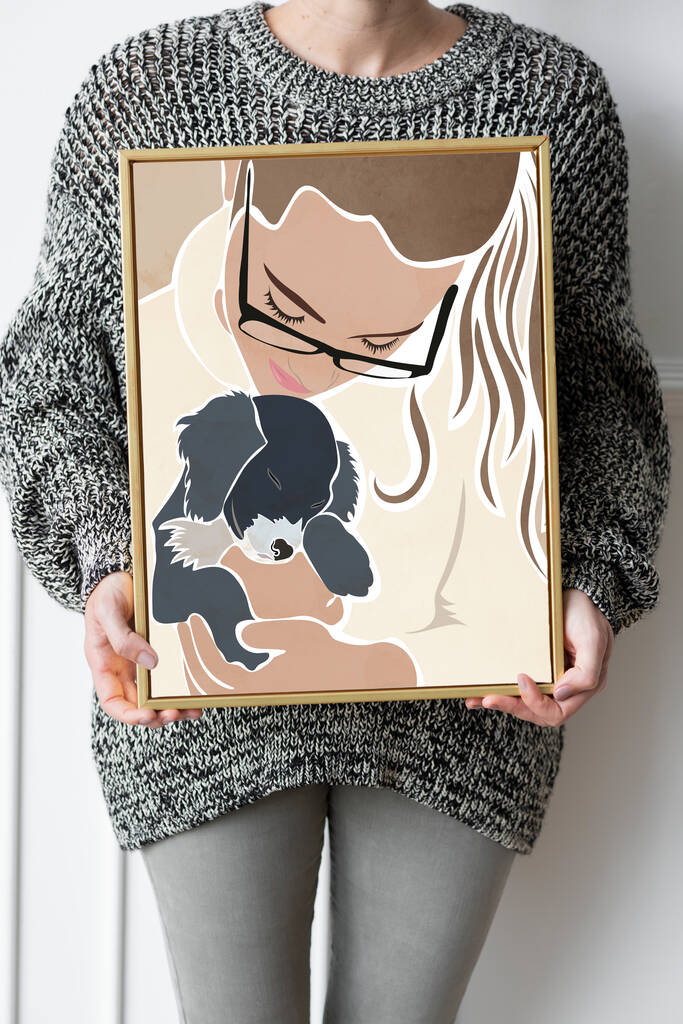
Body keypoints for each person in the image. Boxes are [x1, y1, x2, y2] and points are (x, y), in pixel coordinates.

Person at [0, 1, 671, 1022]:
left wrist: (587, 578)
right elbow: (53, 376)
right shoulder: (144, 90)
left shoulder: (551, 99)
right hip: (199, 684)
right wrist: (106, 560)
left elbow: (596, 392)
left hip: (472, 691)